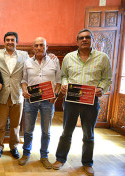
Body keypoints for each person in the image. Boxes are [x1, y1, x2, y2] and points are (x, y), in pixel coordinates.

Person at [52, 29, 112, 176]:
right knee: (66, 131)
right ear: (77, 41)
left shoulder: (103, 58)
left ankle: (87, 163)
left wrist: (101, 89)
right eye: (81, 38)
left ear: (92, 39)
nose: (84, 40)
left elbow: (107, 79)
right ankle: (60, 159)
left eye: (87, 37)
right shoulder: (68, 57)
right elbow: (64, 75)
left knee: (88, 134)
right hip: (71, 100)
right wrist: (65, 84)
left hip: (91, 102)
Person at [18, 37, 61, 169]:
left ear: (46, 47)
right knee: (28, 130)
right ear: (33, 48)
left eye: (41, 45)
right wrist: (24, 91)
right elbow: (23, 81)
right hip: (31, 100)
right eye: (36, 45)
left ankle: (44, 156)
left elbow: (58, 82)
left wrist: (56, 95)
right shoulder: (27, 62)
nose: (38, 48)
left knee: (46, 131)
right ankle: (26, 154)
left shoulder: (54, 61)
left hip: (48, 101)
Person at [0, 32, 30, 160]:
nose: (10, 42)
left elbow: (32, 66)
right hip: (1, 95)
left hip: (18, 94)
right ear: (4, 42)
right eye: (7, 40)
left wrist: (49, 55)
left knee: (15, 125)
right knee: (0, 125)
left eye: (13, 40)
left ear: (17, 42)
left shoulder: (24, 55)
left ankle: (13, 147)